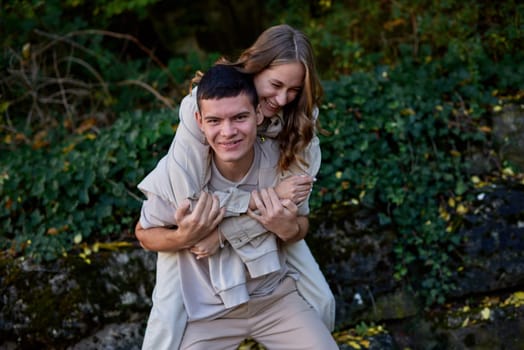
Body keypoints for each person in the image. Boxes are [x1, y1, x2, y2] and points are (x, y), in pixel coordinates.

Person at [136, 24, 335, 349]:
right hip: (202, 249)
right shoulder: (202, 108)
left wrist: (236, 229)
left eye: (294, 90)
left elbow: (296, 216)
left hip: (269, 269)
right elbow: (191, 206)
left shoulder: (299, 124)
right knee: (166, 324)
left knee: (322, 303)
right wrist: (189, 234)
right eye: (275, 84)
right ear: (255, 68)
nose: (282, 99)